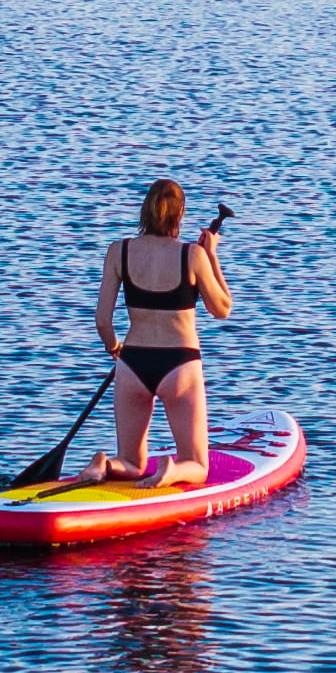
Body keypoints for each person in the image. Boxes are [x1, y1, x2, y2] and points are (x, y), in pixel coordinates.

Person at [90, 179, 231, 486]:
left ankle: (104, 464)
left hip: (132, 364)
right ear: (179, 213)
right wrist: (212, 255)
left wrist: (114, 347)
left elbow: (102, 320)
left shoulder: (119, 251)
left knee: (130, 461)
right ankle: (172, 469)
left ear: (146, 210)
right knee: (196, 464)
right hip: (179, 364)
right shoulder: (192, 255)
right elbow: (222, 309)